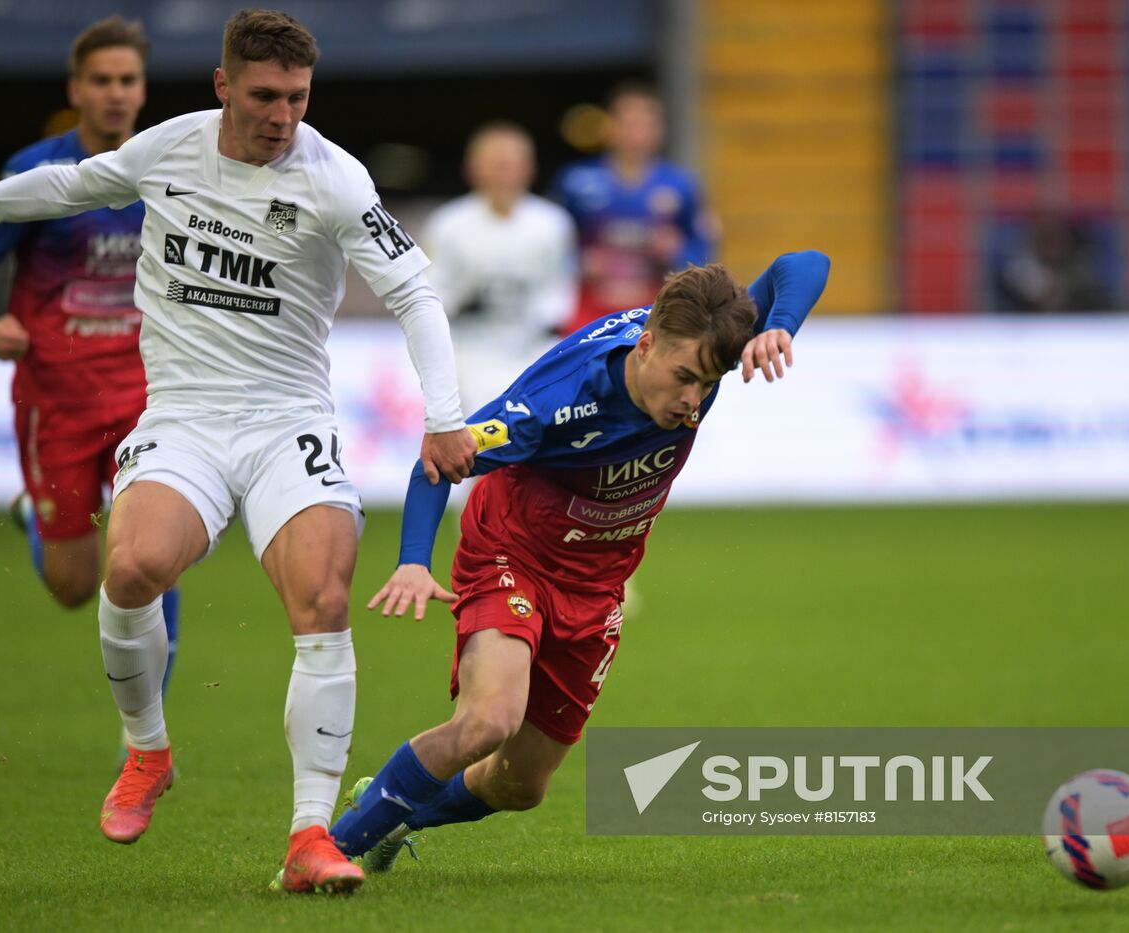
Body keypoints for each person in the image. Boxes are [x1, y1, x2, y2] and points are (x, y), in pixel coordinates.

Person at [0, 9, 475, 895]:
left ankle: (309, 834)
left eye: (299, 98)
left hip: (289, 420)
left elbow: (416, 295)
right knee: (131, 568)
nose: (283, 116)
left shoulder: (336, 178)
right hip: (186, 417)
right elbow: (63, 188)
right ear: (223, 86)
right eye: (267, 96)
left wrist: (445, 415)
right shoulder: (169, 149)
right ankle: (148, 751)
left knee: (322, 596)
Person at [330, 252, 829, 871]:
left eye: (707, 383)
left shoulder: (705, 348)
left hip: (596, 585)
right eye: (684, 378)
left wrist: (781, 325)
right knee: (488, 721)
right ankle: (326, 851)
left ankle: (395, 810)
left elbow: (804, 262)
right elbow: (438, 461)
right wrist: (412, 560)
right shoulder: (558, 401)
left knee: (520, 787)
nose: (693, 399)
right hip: (511, 554)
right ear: (645, 346)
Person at [0, 19, 185, 703]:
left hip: (149, 395)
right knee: (75, 587)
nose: (116, 94)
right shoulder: (36, 171)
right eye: (102, 81)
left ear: (142, 90)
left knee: (153, 557)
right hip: (57, 397)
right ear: (77, 88)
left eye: (128, 81)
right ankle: (36, 515)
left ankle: (146, 721)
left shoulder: (168, 165)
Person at [421, 122, 576, 412]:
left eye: (512, 163)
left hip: (532, 352)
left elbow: (560, 290)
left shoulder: (552, 223)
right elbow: (433, 293)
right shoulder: (448, 224)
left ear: (530, 168)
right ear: (472, 167)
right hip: (469, 353)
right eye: (495, 163)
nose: (504, 172)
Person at [551, 82, 714, 334]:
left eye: (646, 124)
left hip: (657, 308)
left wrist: (677, 252)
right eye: (629, 123)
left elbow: (703, 248)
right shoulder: (576, 182)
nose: (637, 133)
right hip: (589, 307)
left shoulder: (681, 185)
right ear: (610, 126)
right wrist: (579, 262)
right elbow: (549, 244)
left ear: (660, 130)